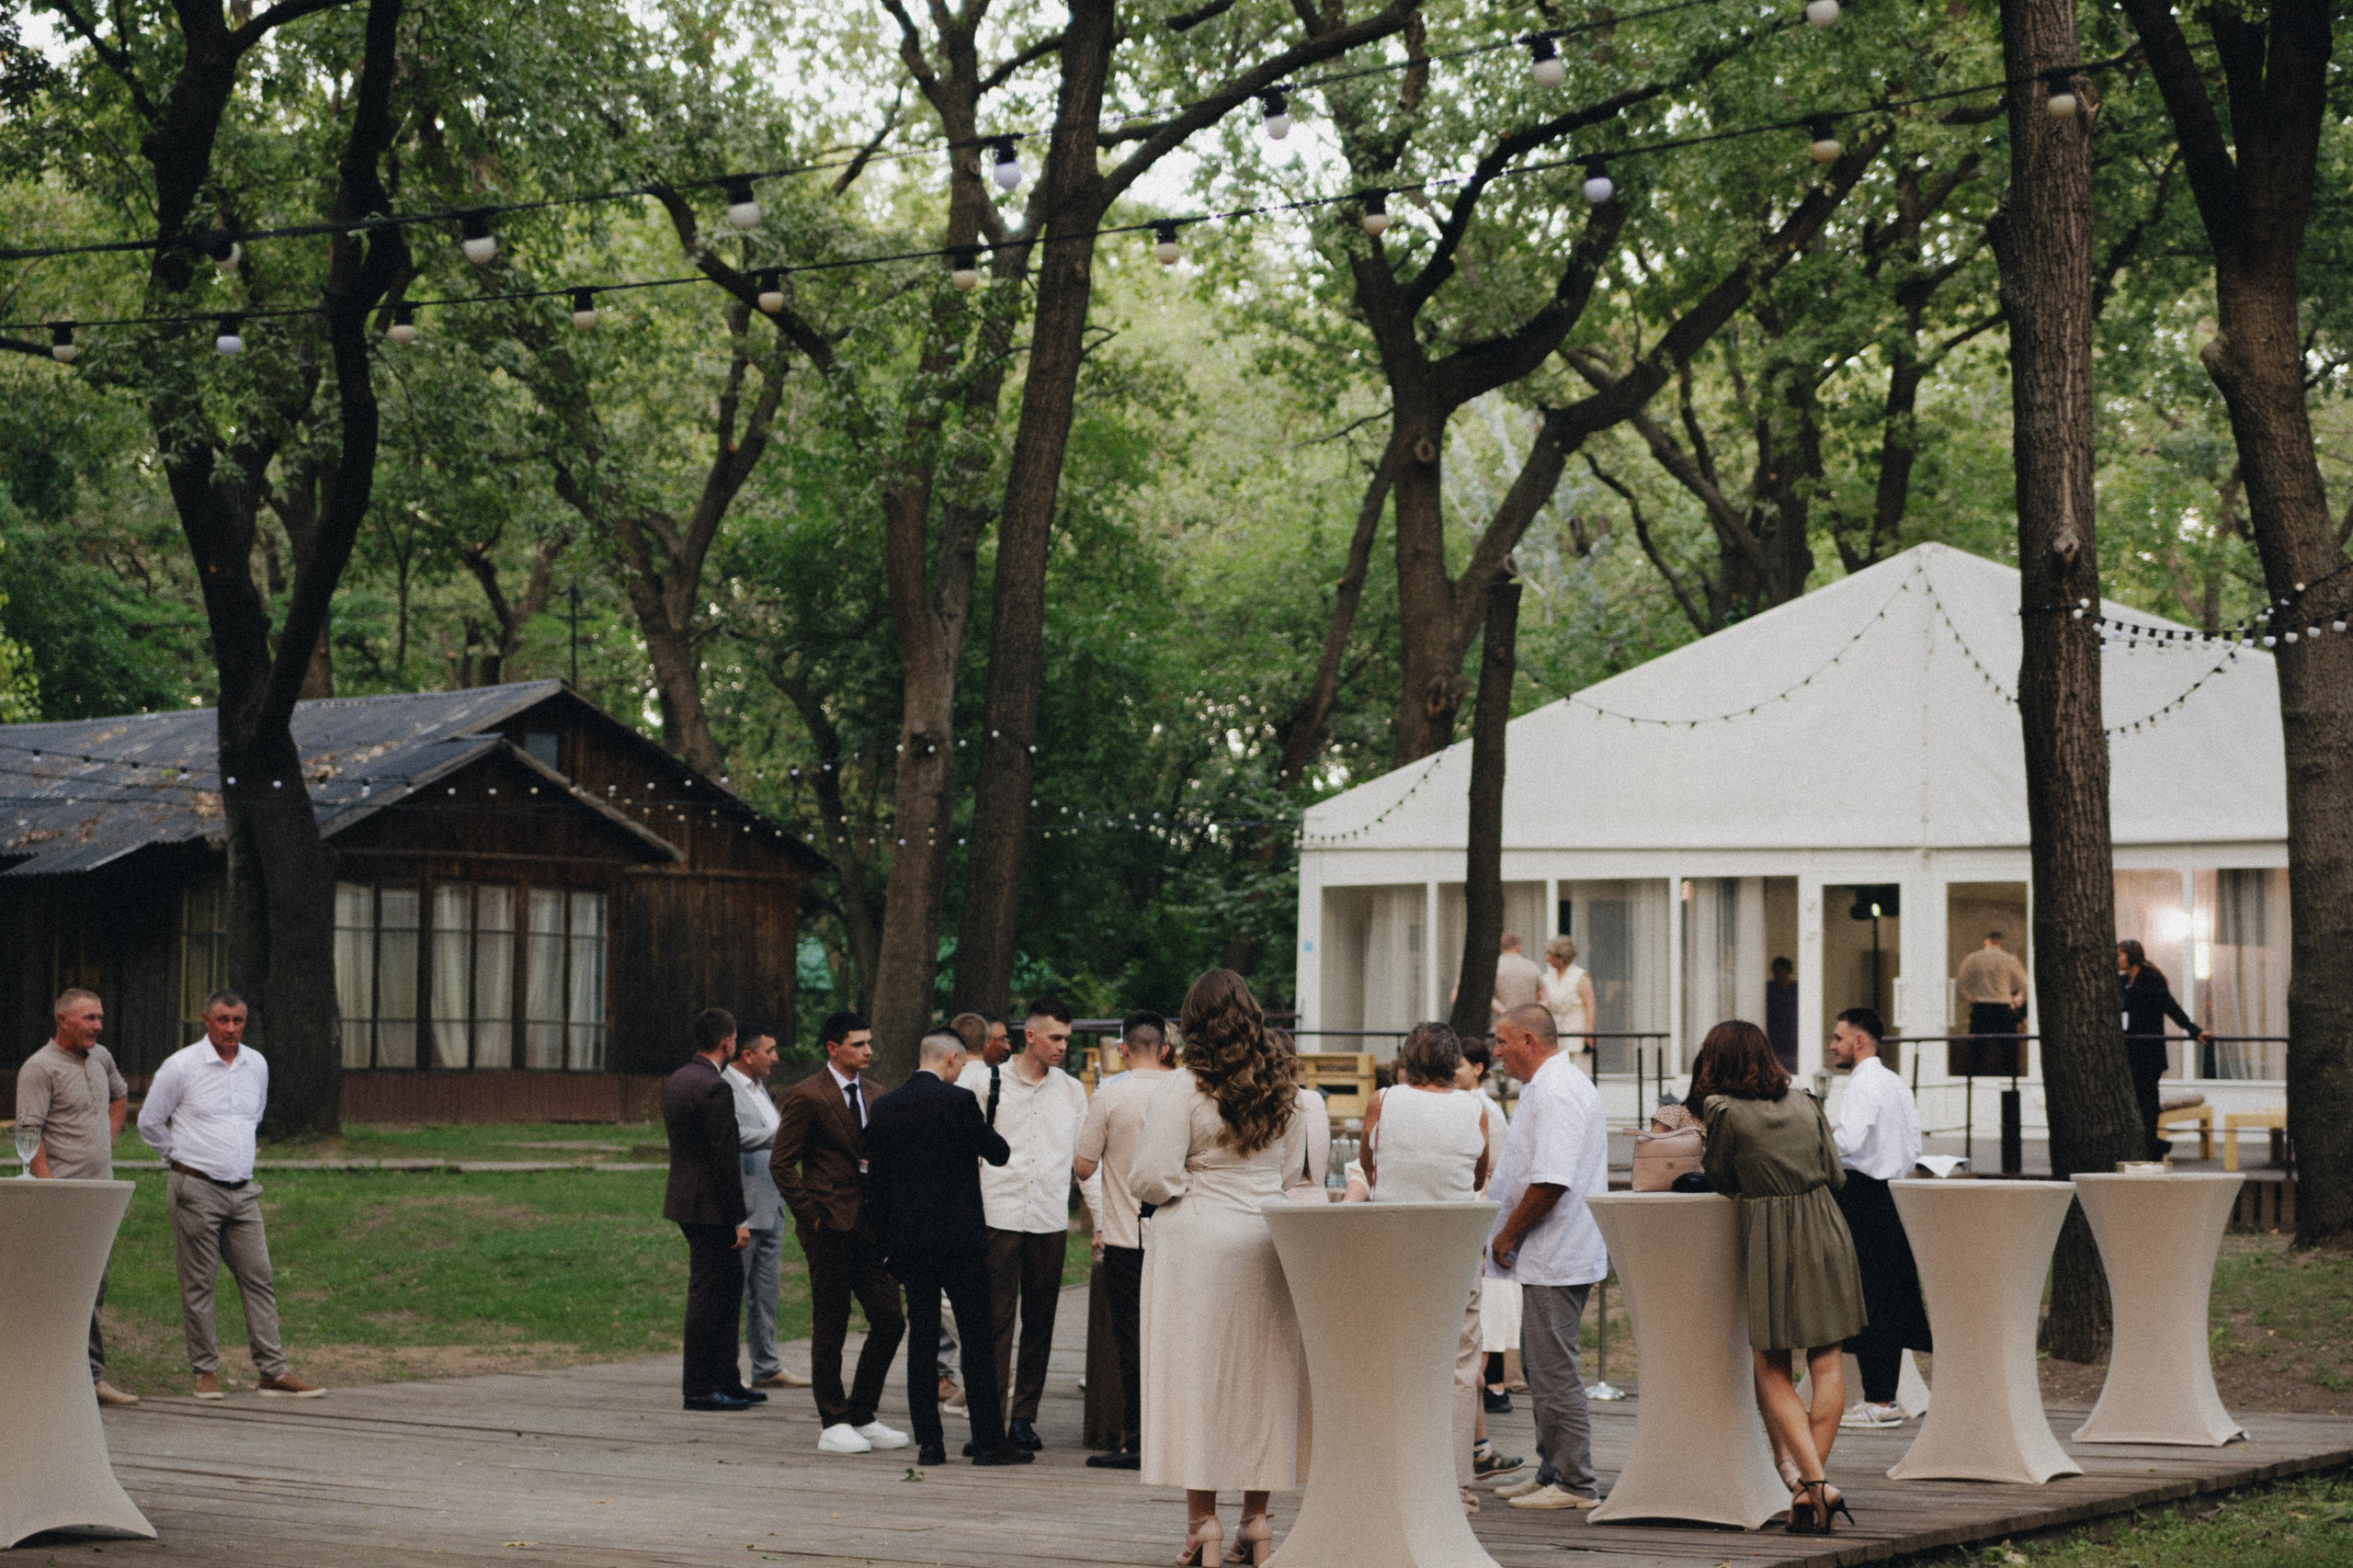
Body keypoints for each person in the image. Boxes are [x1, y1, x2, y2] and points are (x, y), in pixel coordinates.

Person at [1131, 969, 1309, 1566]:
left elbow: (1152, 1175)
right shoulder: (1285, 1086)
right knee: (1265, 1381)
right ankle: (1256, 1523)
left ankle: (1202, 1525)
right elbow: (1288, 1172)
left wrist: (1191, 1182)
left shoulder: (1183, 1088)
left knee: (1197, 1382)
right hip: (1267, 1237)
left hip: (1198, 1245)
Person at [1689, 1019, 1866, 1535]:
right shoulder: (1806, 1101)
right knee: (1828, 1363)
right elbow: (1835, 1173)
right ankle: (1814, 1493)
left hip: (1772, 1234)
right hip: (1827, 1227)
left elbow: (1720, 1176)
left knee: (1772, 1364)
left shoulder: (1722, 1110)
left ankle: (1813, 1485)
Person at [136, 990, 325, 1401]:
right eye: (222, 1020)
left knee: (259, 1278)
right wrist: (180, 1157)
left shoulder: (255, 1064)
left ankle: (272, 1370)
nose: (230, 1029)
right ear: (206, 1020)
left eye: (237, 1021)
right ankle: (205, 1372)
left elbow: (252, 1117)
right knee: (199, 1284)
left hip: (242, 1191)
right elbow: (150, 1121)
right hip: (196, 1189)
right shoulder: (181, 1066)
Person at [865, 1028, 1032, 1469]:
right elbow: (997, 1153)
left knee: (922, 1338)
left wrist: (886, 1249)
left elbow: (877, 1188)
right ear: (953, 1060)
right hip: (959, 1240)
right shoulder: (958, 1103)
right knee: (976, 1338)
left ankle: (930, 1444)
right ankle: (988, 1441)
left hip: (910, 1245)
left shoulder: (884, 1109)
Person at [1354, 1022, 1493, 1511]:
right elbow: (1480, 1175)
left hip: (1394, 1250)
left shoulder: (1384, 1102)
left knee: (1394, 1360)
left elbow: (1370, 1169)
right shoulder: (1476, 1110)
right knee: (1458, 1367)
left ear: (1408, 1060)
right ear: (1455, 1064)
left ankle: (1394, 1473)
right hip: (1455, 1252)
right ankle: (1453, 1483)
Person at [1485, 1003, 1608, 1512]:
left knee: (1553, 1367)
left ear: (1529, 1041)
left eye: (1502, 1041)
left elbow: (1551, 1179)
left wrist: (1508, 1233)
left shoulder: (1557, 1091)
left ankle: (1575, 1482)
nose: (1496, 1052)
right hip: (1550, 1248)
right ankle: (1551, 1467)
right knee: (1539, 1364)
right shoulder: (1550, 1086)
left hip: (1557, 1247)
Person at [955, 995, 1086, 1452]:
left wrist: (1103, 1224)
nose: (1062, 1046)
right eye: (1055, 1037)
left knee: (1040, 1321)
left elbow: (1085, 1162)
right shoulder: (983, 1079)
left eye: (1067, 1039)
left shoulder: (1071, 1091)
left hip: (1049, 1217)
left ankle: (1024, 1417)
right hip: (998, 1212)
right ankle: (988, 1418)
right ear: (1029, 1035)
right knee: (994, 1320)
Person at [771, 1009, 905, 1453]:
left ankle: (862, 1413)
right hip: (827, 1226)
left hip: (870, 1228)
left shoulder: (877, 1094)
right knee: (829, 1322)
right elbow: (781, 1163)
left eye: (869, 1043)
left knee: (889, 1319)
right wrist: (811, 1214)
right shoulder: (807, 1095)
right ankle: (832, 1420)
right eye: (859, 1044)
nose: (869, 1051)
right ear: (833, 1048)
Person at [17, 988, 138, 1407]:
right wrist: (52, 1192)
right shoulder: (39, 1068)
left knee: (95, 1285)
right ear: (63, 1020)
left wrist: (106, 1139)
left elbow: (120, 1096)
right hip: (63, 1197)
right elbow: (29, 1136)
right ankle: (51, 1382)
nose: (98, 1026)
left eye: (100, 1018)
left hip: (99, 1195)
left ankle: (91, 1379)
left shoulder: (102, 1058)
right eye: (89, 1019)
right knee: (59, 1288)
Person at [1072, 1009, 1175, 1471]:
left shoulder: (1110, 1097)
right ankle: (1176, 1437)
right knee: (1174, 1340)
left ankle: (1135, 1441)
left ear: (1123, 1049)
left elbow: (1083, 1166)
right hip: (1177, 1235)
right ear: (1167, 1049)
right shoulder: (1186, 1092)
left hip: (1125, 1236)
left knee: (1132, 1341)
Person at [1826, 1007, 1929, 1429]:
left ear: (1860, 1041)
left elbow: (1847, 1142)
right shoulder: (1895, 1083)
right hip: (1896, 1196)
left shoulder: (1863, 1084)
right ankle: (1882, 1395)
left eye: (1838, 1037)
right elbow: (1914, 1148)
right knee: (1889, 1294)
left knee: (1868, 1298)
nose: (1832, 1045)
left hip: (1864, 1197)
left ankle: (1880, 1400)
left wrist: (1820, 1141)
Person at [659, 1007, 756, 1412]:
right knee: (709, 1293)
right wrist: (738, 1217)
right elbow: (723, 1156)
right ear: (727, 1043)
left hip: (685, 1197)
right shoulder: (716, 1088)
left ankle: (728, 1380)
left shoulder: (680, 1079)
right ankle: (700, 1387)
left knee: (727, 1286)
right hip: (711, 1205)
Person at [723, 1023, 808, 1392]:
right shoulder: (725, 1088)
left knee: (766, 1291)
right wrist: (786, 1133)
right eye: (769, 1051)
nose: (775, 1058)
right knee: (732, 1290)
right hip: (743, 1205)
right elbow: (733, 1137)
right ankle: (725, 1368)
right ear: (748, 1054)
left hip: (772, 1204)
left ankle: (767, 1365)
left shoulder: (761, 1090)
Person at [1456, 1034, 1521, 1483]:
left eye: (1460, 1064)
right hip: (1478, 1226)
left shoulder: (1484, 1110)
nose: (1454, 1070)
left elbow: (1493, 1168)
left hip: (1482, 1226)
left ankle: (1471, 1447)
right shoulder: (1464, 1106)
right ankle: (1477, 1446)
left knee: (1472, 1349)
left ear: (1477, 1068)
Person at [2120, 939, 2211, 1159]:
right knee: (2135, 1100)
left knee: (2148, 1100)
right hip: (2130, 1050)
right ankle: (2154, 1145)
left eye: (2120, 954)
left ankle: (2152, 1147)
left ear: (2132, 956)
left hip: (2149, 1051)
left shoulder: (2151, 979)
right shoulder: (2121, 981)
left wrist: (2193, 1030)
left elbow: (2170, 1006)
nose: (2118, 959)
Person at [1958, 931, 2030, 1074]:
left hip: (1981, 1009)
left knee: (1977, 1053)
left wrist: (1970, 999)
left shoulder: (1974, 958)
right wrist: (2017, 999)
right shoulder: (2009, 959)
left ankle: (1973, 1087)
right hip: (2002, 1009)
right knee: (2009, 1053)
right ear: (2001, 943)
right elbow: (2026, 984)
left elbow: (1960, 984)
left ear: (1986, 942)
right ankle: (2012, 1089)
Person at [1540, 936, 1597, 1060]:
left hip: (1576, 1035)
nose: (1547, 958)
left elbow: (1590, 1005)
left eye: (1550, 954)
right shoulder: (1547, 978)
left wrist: (1588, 1032)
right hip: (1555, 1035)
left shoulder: (1580, 976)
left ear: (1561, 956)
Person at [1491, 933, 1544, 1017]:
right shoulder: (1532, 966)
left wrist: (1507, 1014)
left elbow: (1490, 999)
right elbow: (1545, 999)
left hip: (1501, 1023)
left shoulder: (1493, 967)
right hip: (1528, 1021)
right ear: (1519, 946)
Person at [1766, 957, 1801, 1076]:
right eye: (1777, 972)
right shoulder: (1768, 989)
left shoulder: (1797, 989)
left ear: (1789, 972)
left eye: (1783, 971)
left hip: (1793, 1038)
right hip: (1773, 1038)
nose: (1780, 975)